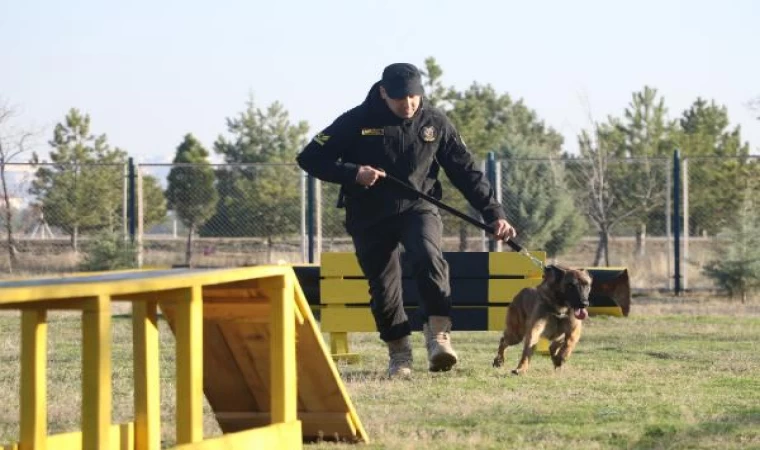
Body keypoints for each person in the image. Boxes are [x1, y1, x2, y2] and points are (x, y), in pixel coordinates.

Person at [296, 62, 516, 378]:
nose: (408, 104)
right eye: (400, 98)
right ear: (383, 92)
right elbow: (310, 158)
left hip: (418, 206)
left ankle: (438, 337)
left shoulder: (435, 121)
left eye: (413, 97)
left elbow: (465, 171)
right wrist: (354, 173)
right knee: (385, 287)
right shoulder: (356, 120)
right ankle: (399, 355)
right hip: (369, 213)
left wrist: (494, 214)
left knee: (428, 257)